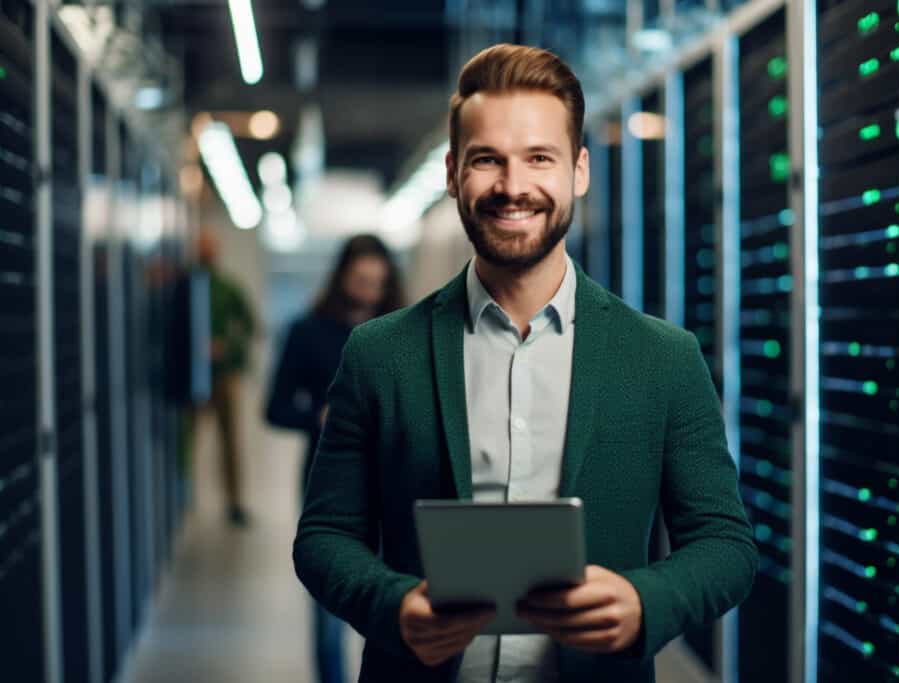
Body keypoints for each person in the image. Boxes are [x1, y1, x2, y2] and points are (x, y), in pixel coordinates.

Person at [293, 44, 756, 682]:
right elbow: (323, 538)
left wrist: (646, 602)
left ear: (579, 170)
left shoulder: (662, 359)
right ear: (454, 173)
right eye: (488, 160)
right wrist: (393, 606)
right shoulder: (380, 354)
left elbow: (726, 546)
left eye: (540, 158)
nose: (513, 187)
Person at [266, 234, 404, 683]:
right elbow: (275, 407)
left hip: (394, 481)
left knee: (390, 597)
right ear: (343, 278)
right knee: (328, 606)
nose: (368, 292)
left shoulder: (404, 333)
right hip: (327, 481)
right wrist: (317, 415)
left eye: (376, 284)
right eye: (360, 282)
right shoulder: (307, 331)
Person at [195, 226, 255, 527]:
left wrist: (226, 348)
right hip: (190, 376)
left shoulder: (226, 287)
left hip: (223, 375)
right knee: (187, 438)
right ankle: (185, 495)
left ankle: (234, 500)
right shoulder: (186, 286)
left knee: (229, 440)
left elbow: (249, 325)